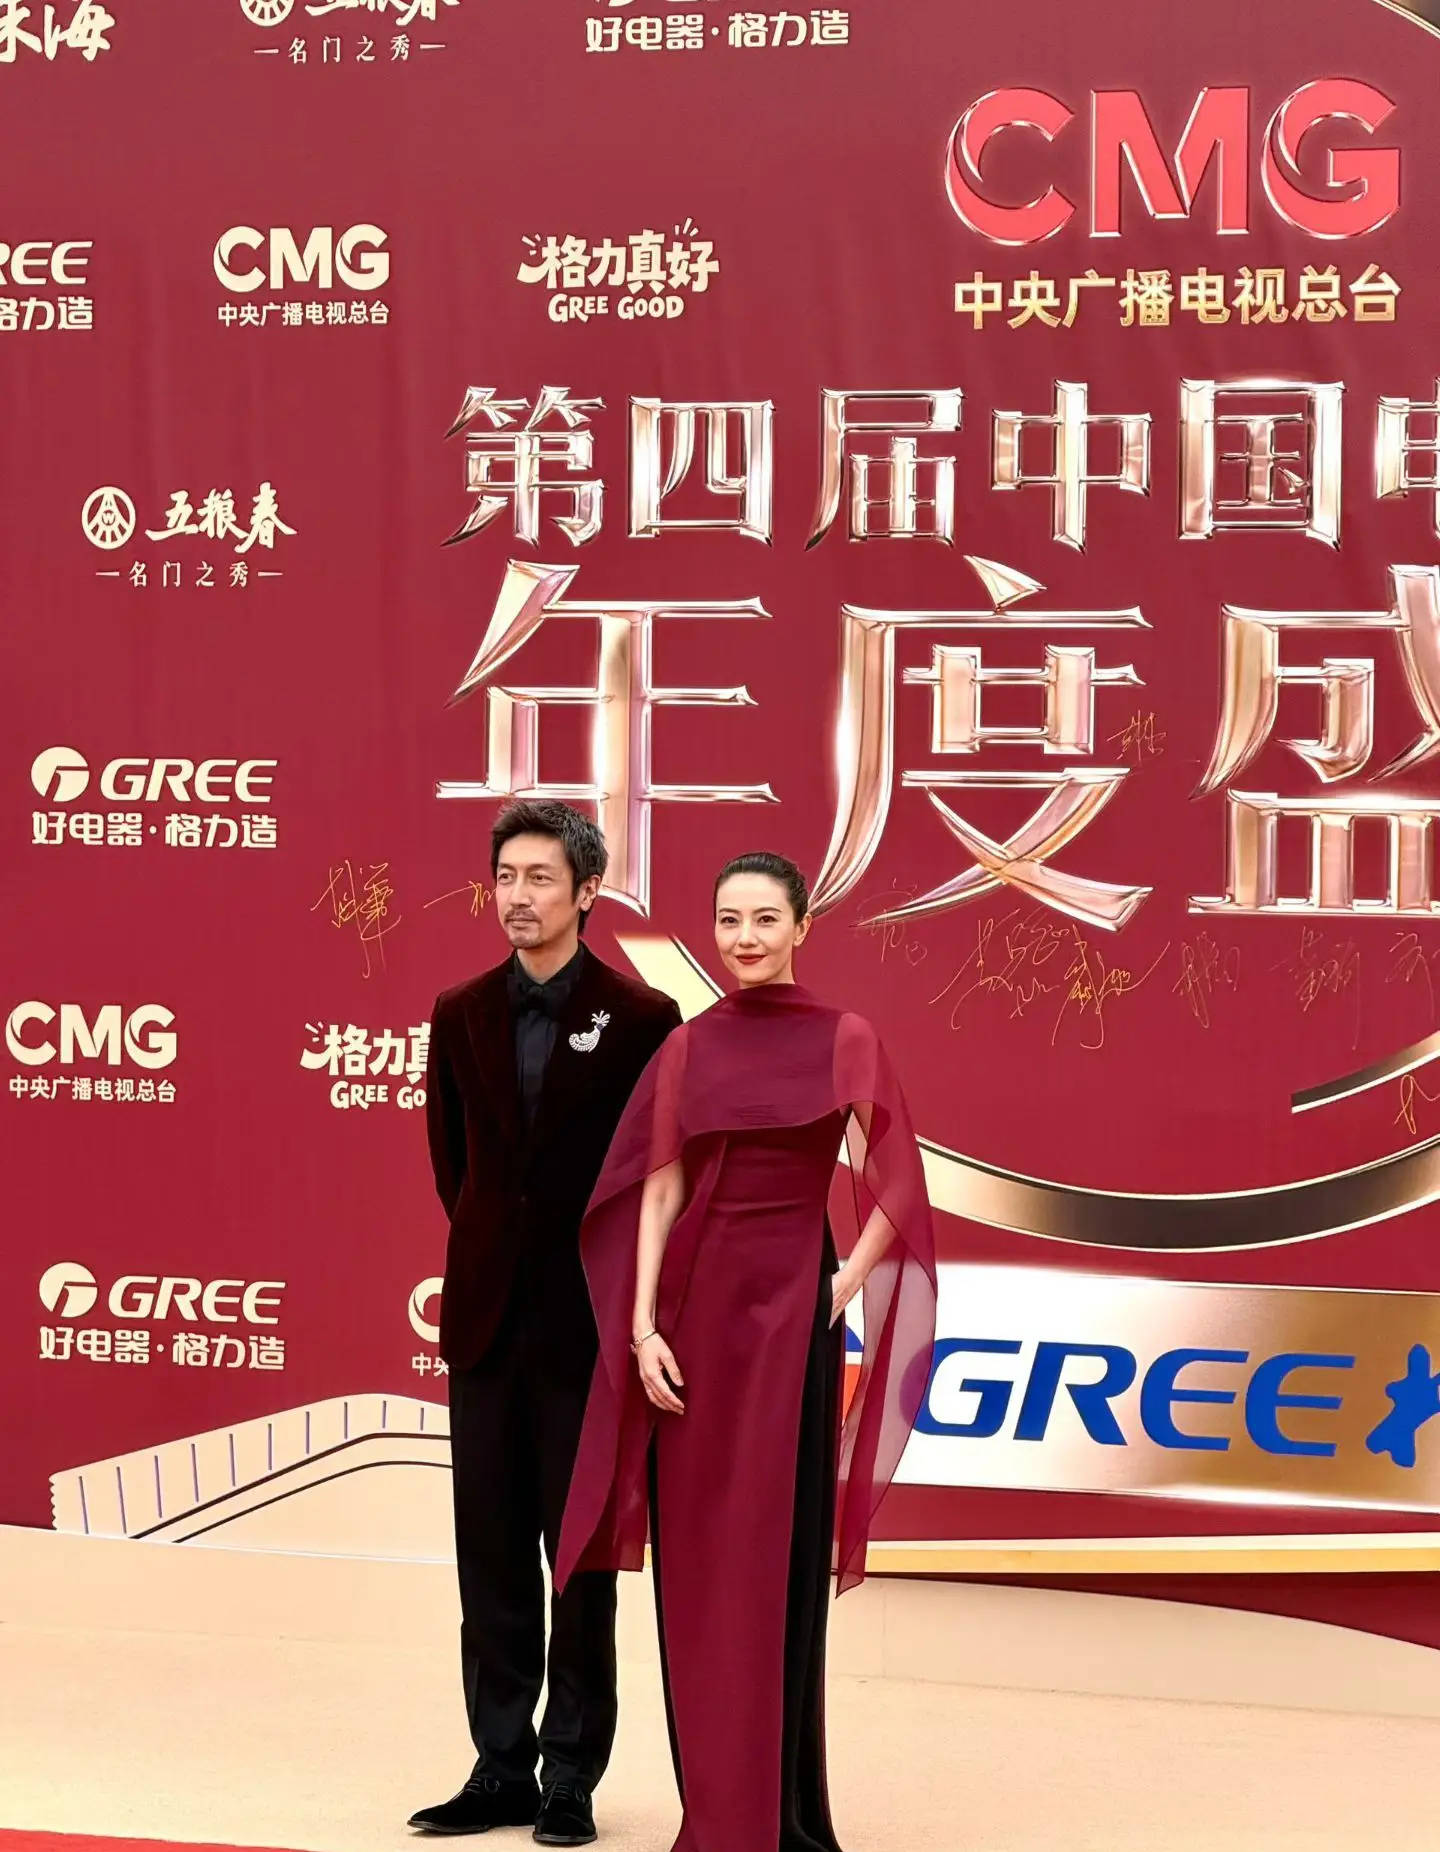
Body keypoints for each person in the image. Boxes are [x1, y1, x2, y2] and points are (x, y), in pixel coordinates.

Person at [556, 852, 937, 1852]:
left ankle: (781, 1818)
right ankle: (717, 1812)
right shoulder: (689, 1046)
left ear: (802, 925)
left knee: (777, 1556)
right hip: (694, 1322)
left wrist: (839, 1286)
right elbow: (661, 1189)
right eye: (728, 920)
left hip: (790, 1325)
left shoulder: (846, 1037)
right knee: (697, 1563)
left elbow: (899, 1183)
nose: (745, 938)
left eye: (766, 918)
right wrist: (642, 1327)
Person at [411, 800, 682, 1846]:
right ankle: (498, 1767)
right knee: (488, 1557)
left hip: (588, 1329)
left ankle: (570, 1774)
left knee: (580, 1562)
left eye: (539, 879)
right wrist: (498, 1252)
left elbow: (656, 1174)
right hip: (484, 1323)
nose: (518, 898)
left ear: (586, 890)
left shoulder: (644, 1016)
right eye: (505, 878)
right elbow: (457, 1166)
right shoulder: (459, 1010)